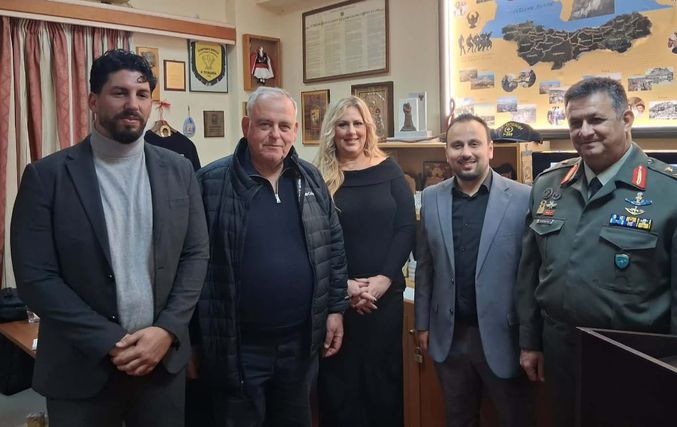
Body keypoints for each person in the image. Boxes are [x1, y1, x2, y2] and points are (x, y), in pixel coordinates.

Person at [10, 49, 209, 426]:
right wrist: (109, 341)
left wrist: (167, 329)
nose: (133, 104)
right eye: (120, 93)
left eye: (142, 94)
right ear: (92, 101)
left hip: (161, 366)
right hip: (80, 369)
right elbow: (36, 278)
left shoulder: (179, 170)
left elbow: (196, 255)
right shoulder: (46, 178)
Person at [517, 77, 677, 427]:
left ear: (627, 119)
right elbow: (529, 273)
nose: (584, 131)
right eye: (575, 122)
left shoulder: (668, 192)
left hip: (634, 358)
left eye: (596, 119)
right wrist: (529, 342)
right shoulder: (548, 186)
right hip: (560, 352)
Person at [193, 86, 349, 426]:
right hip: (239, 348)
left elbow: (333, 248)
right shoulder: (209, 183)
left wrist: (336, 309)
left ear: (295, 130)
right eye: (265, 124)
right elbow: (191, 265)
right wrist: (192, 341)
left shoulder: (311, 179)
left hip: (300, 344)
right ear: (246, 126)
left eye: (284, 126)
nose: (275, 134)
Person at [415, 114, 533, 427]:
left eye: (474, 144)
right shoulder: (431, 198)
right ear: (447, 153)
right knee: (458, 419)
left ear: (490, 149)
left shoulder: (522, 198)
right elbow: (425, 267)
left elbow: (530, 276)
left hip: (504, 337)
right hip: (450, 336)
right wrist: (422, 324)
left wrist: (531, 340)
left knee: (515, 419)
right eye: (457, 145)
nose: (466, 152)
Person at [315, 96, 416, 427]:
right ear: (332, 130)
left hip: (383, 300)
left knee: (382, 387)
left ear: (368, 128)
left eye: (357, 123)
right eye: (343, 124)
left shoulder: (389, 170)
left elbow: (405, 227)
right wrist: (344, 286)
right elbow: (314, 239)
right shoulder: (319, 176)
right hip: (336, 301)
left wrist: (384, 279)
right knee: (340, 391)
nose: (351, 131)